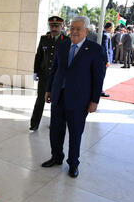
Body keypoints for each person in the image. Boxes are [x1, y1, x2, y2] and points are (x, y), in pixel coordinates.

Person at [42, 16, 106, 178]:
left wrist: (94, 100)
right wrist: (49, 90)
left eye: (79, 29)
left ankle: (73, 163)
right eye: (73, 28)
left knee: (75, 133)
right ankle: (56, 157)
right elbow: (54, 69)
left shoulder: (95, 49)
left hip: (79, 100)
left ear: (86, 31)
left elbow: (98, 78)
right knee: (55, 131)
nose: (75, 31)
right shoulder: (62, 45)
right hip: (58, 96)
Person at [30, 16, 68, 131]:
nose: (54, 28)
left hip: (58, 77)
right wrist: (35, 71)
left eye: (57, 26)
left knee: (56, 102)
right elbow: (39, 56)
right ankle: (34, 123)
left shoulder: (66, 40)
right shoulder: (44, 38)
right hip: (44, 75)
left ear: (62, 26)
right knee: (40, 100)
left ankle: (55, 124)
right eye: (52, 26)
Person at [100, 22, 113, 97]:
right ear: (110, 27)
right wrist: (107, 60)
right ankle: (100, 91)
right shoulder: (105, 36)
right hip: (103, 60)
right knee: (101, 76)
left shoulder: (103, 34)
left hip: (102, 59)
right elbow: (105, 49)